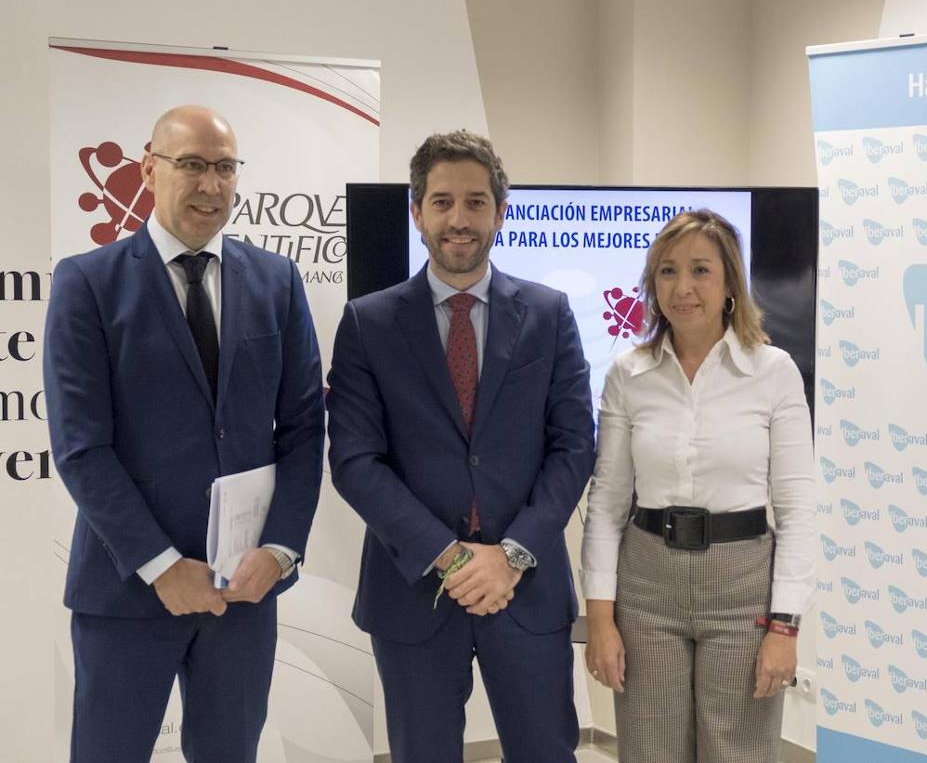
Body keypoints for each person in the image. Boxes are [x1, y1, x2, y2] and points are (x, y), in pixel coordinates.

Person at [44, 105, 325, 762]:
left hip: (243, 592)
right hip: (127, 592)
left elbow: (305, 428)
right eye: (192, 164)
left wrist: (281, 550)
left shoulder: (276, 281)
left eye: (224, 167)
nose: (211, 184)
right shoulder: (88, 282)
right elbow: (82, 446)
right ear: (148, 168)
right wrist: (163, 567)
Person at [326, 130, 595, 763]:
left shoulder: (549, 314)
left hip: (524, 589)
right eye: (442, 201)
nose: (459, 219)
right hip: (413, 593)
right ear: (417, 212)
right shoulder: (369, 322)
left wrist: (512, 554)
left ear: (500, 211)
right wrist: (449, 557)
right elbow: (356, 462)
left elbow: (573, 448)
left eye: (476, 202)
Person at [581, 209, 815, 762]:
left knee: (739, 753)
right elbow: (607, 506)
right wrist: (600, 620)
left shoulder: (773, 371)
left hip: (743, 594)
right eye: (667, 272)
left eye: (701, 271)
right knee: (649, 751)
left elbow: (799, 511)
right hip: (647, 591)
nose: (682, 288)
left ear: (730, 282)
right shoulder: (627, 374)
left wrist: (785, 628)